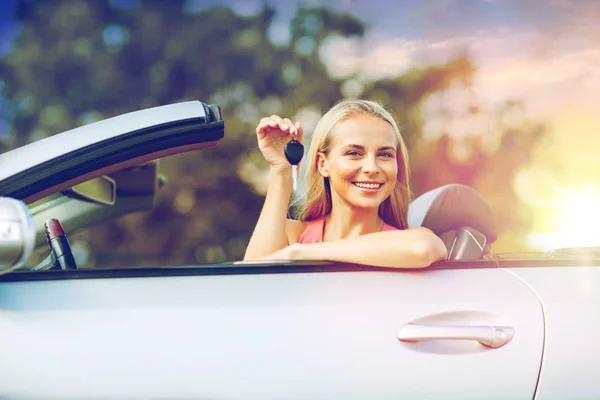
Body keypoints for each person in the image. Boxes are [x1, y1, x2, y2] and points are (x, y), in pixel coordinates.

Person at [243, 99, 447, 268]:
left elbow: (423, 248)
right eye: (354, 153)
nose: (371, 168)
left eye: (384, 154)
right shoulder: (291, 234)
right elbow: (250, 286)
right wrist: (281, 170)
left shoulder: (407, 241)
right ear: (323, 164)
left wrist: (303, 252)